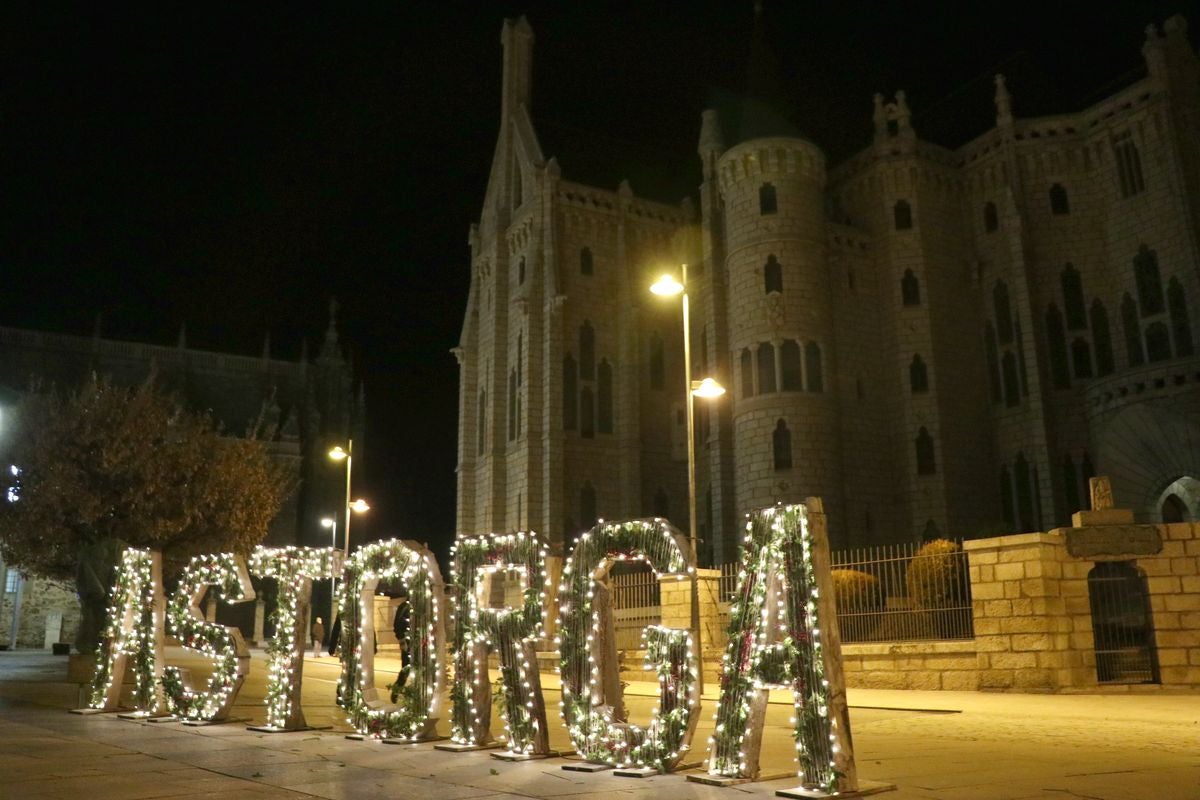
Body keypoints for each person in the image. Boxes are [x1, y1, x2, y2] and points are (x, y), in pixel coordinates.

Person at [390, 592, 410, 702]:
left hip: (422, 643)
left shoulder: (424, 606)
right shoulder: (404, 607)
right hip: (408, 642)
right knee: (406, 668)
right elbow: (397, 625)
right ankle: (397, 690)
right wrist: (402, 639)